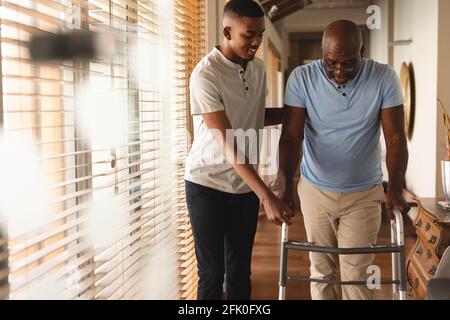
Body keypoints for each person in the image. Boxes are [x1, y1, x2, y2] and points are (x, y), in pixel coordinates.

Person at [278, 20, 411, 300]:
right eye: (331, 63)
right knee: (321, 272)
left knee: (357, 276)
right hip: (315, 190)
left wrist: (395, 189)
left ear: (361, 52)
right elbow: (291, 138)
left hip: (363, 193)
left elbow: (396, 138)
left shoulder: (383, 78)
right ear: (322, 54)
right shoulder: (302, 78)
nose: (339, 72)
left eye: (348, 63)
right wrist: (286, 186)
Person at [184, 0, 293, 300]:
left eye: (260, 34)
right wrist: (266, 195)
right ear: (227, 31)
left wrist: (296, 114)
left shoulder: (257, 69)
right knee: (211, 274)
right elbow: (229, 145)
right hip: (207, 184)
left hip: (243, 186)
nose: (256, 41)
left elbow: (255, 116)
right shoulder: (205, 75)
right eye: (249, 35)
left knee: (239, 271)